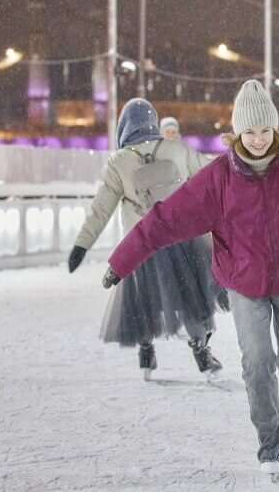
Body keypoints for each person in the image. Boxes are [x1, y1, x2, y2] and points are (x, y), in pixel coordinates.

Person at [101, 80, 279, 473]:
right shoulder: (218, 178)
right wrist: (121, 261)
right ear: (236, 133)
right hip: (243, 284)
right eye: (249, 131)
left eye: (264, 131)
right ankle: (270, 444)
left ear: (275, 130)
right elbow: (165, 219)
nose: (257, 139)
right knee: (256, 364)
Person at [67, 98, 227, 380]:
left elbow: (101, 209)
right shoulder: (177, 150)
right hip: (182, 241)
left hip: (140, 247)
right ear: (153, 122)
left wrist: (82, 244)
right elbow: (214, 178)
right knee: (192, 296)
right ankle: (201, 350)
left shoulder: (119, 162)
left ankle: (145, 351)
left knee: (143, 300)